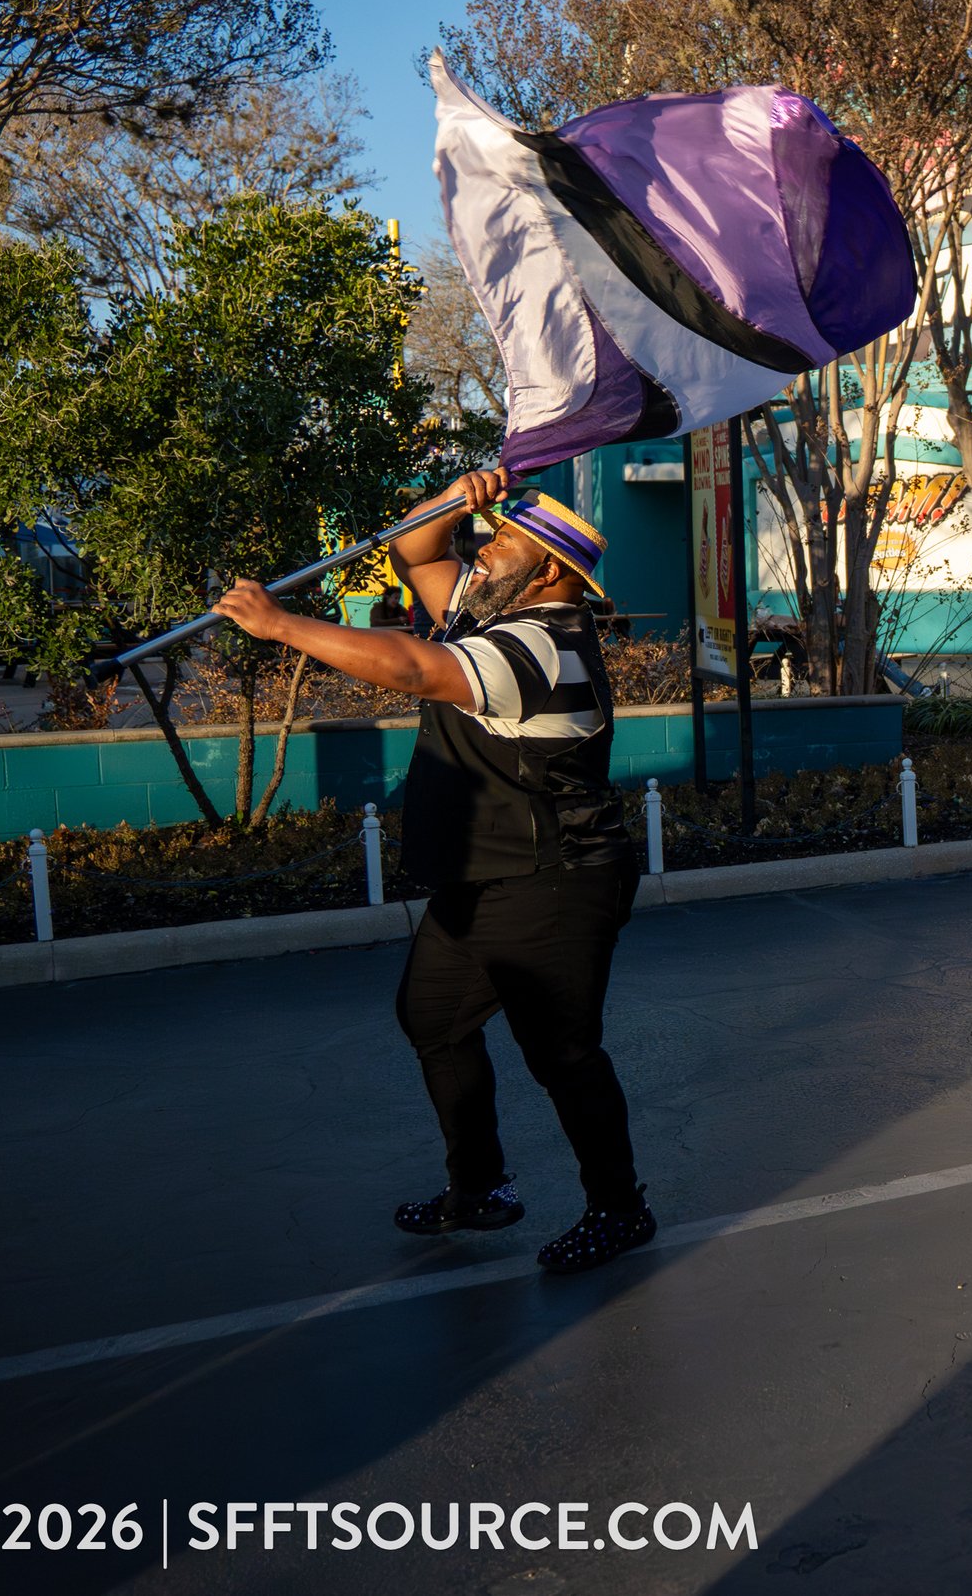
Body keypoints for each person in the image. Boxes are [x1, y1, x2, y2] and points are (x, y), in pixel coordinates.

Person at [212, 471, 655, 1273]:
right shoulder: (489, 611)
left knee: (563, 1054)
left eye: (503, 542)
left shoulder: (542, 646)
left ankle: (620, 1209)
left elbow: (414, 669)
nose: (484, 550)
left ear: (550, 570)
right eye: (487, 537)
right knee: (435, 1021)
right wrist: (458, 497)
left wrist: (282, 626)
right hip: (485, 876)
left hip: (554, 876)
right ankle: (479, 1190)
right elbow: (413, 551)